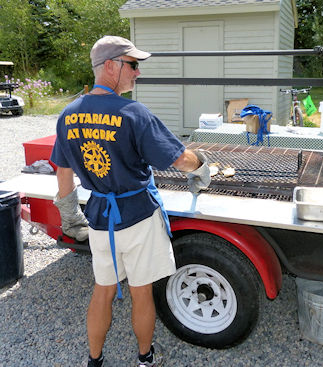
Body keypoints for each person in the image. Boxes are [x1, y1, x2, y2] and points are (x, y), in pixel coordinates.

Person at [50, 35, 211, 367]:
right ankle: (145, 358)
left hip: (99, 219)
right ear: (110, 66)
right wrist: (202, 166)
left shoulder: (68, 115)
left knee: (103, 290)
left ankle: (94, 360)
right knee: (141, 292)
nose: (138, 73)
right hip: (138, 216)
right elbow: (179, 159)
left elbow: (63, 173)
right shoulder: (133, 113)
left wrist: (69, 215)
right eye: (133, 65)